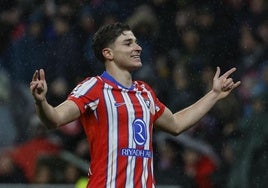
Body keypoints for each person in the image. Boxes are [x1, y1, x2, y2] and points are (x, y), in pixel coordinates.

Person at [29, 22, 241, 187]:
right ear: (108, 53)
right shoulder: (94, 87)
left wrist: (213, 94)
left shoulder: (145, 91)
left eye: (136, 42)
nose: (138, 47)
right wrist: (41, 102)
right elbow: (54, 119)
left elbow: (176, 124)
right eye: (128, 43)